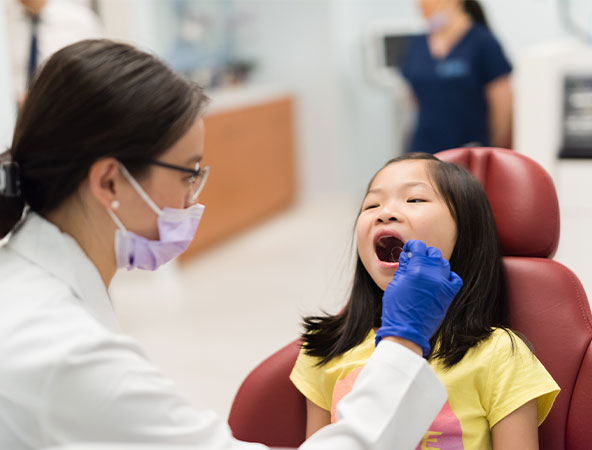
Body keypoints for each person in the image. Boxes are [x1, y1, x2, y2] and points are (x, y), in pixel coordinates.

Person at [0, 39, 463, 449]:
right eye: (187, 172)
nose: (192, 197)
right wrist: (402, 342)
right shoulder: (65, 352)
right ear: (109, 182)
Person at [290, 153, 560, 449]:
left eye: (415, 200)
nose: (385, 213)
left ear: (466, 232)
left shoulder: (500, 354)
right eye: (371, 205)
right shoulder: (325, 348)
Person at [399, 0, 513, 153]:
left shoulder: (483, 43)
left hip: (470, 152)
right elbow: (414, 99)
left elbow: (503, 108)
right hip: (424, 151)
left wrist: (490, 152)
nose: (421, 3)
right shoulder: (417, 44)